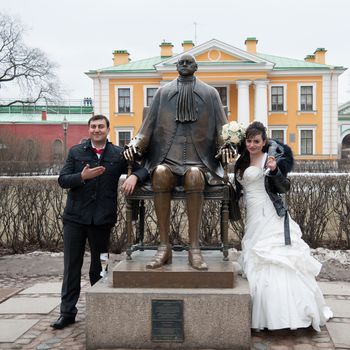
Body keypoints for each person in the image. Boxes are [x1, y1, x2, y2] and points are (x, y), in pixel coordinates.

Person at [124, 54, 233, 271]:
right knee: (160, 173)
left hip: (200, 161)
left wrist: (227, 147)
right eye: (181, 62)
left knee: (193, 175)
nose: (184, 65)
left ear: (196, 66)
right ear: (176, 66)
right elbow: (146, 129)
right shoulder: (163, 94)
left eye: (189, 62)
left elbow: (223, 131)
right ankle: (163, 247)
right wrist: (134, 145)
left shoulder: (210, 94)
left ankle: (195, 248)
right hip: (167, 158)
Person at [51, 114, 148, 330]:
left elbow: (144, 168)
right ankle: (67, 312)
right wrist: (81, 177)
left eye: (100, 126)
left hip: (102, 221)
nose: (96, 130)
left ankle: (101, 308)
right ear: (89, 130)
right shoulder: (76, 152)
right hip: (75, 220)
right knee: (71, 267)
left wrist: (134, 177)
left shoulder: (118, 154)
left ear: (107, 129)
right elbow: (62, 179)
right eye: (93, 126)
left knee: (101, 266)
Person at [234, 121, 332, 331]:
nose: (252, 145)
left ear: (264, 142)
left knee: (273, 256)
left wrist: (275, 169)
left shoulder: (271, 159)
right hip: (251, 213)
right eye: (249, 141)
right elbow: (238, 187)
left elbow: (283, 187)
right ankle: (261, 311)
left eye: (256, 141)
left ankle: (285, 316)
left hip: (268, 211)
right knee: (253, 252)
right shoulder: (241, 160)